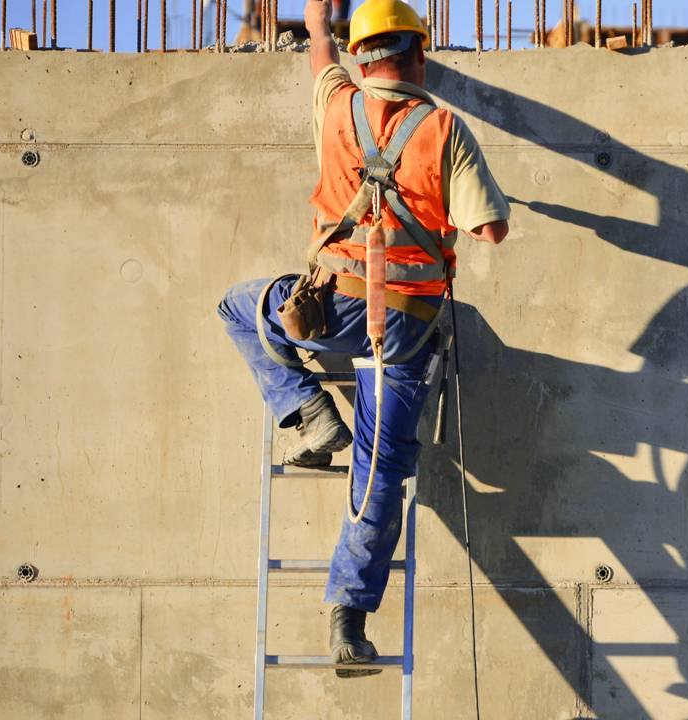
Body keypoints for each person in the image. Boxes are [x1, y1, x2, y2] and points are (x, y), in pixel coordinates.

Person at [216, 0, 509, 676]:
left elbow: (322, 61)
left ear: (364, 57)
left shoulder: (337, 105)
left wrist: (319, 25)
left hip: (329, 314)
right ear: (420, 56)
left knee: (240, 308)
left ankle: (312, 416)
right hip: (402, 331)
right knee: (379, 475)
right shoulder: (442, 129)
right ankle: (347, 618)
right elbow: (488, 229)